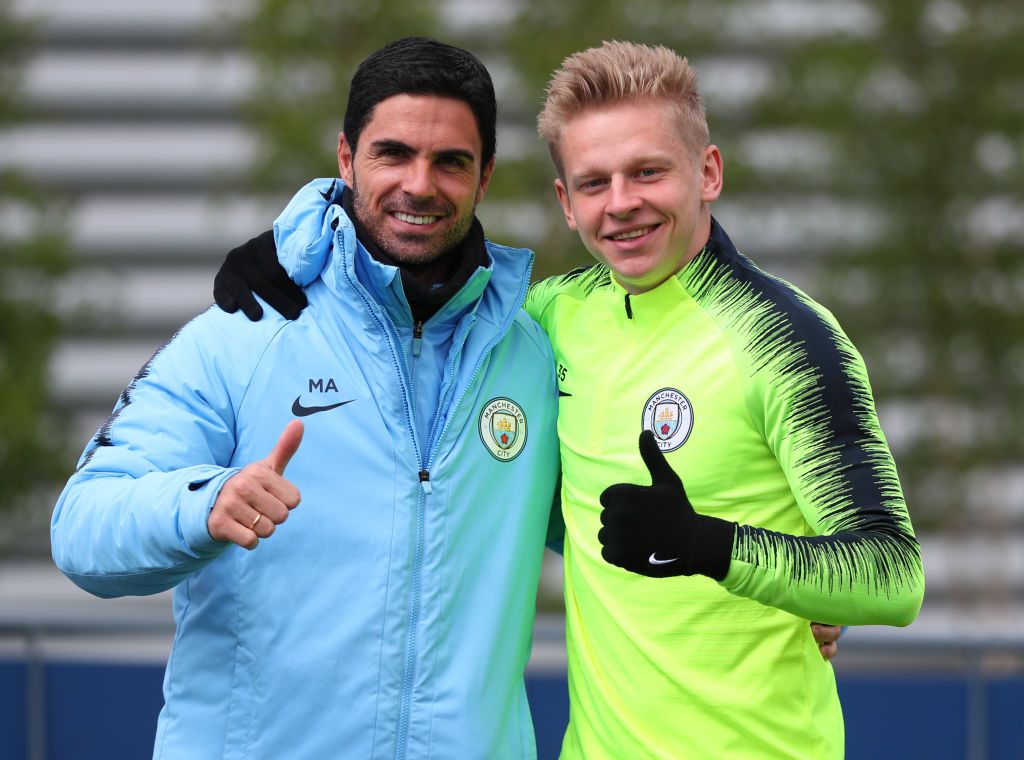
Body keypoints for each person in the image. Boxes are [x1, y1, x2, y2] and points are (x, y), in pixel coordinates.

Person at [218, 41, 924, 759]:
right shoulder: (550, 318)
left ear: (707, 172)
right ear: (565, 202)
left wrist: (712, 547)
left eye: (648, 172)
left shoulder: (785, 338)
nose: (621, 204)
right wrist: (288, 252)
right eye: (594, 182)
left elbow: (892, 575)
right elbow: (414, 282)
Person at [50, 38, 562, 760]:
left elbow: (616, 535)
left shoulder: (532, 357)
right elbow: (81, 527)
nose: (421, 184)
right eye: (393, 154)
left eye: (451, 161)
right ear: (347, 160)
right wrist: (206, 502)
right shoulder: (244, 330)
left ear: (485, 178)